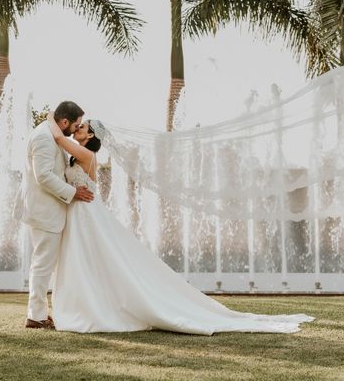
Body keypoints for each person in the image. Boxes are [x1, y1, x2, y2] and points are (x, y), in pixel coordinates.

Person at [46, 112, 314, 335]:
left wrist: (50, 117)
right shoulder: (75, 155)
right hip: (79, 213)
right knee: (84, 261)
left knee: (93, 260)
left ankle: (91, 309)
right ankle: (85, 304)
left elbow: (58, 136)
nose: (77, 128)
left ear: (91, 135)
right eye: (77, 125)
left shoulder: (86, 155)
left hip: (87, 214)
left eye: (81, 126)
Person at [17, 101, 94, 329]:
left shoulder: (52, 132)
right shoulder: (43, 137)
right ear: (64, 122)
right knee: (43, 264)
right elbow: (43, 176)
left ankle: (40, 312)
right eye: (76, 124)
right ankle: (36, 316)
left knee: (45, 264)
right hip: (45, 211)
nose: (76, 129)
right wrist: (73, 192)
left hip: (51, 211)